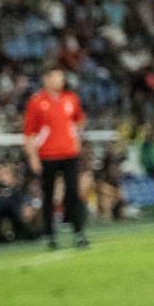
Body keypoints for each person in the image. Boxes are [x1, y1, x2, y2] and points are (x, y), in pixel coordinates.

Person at [23, 69, 88, 249]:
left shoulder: (70, 99)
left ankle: (78, 232)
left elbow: (80, 120)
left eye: (61, 77)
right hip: (47, 154)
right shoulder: (36, 102)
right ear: (46, 79)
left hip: (69, 153)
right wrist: (33, 157)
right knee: (48, 195)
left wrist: (75, 138)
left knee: (73, 193)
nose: (60, 80)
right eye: (56, 77)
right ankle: (50, 234)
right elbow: (29, 132)